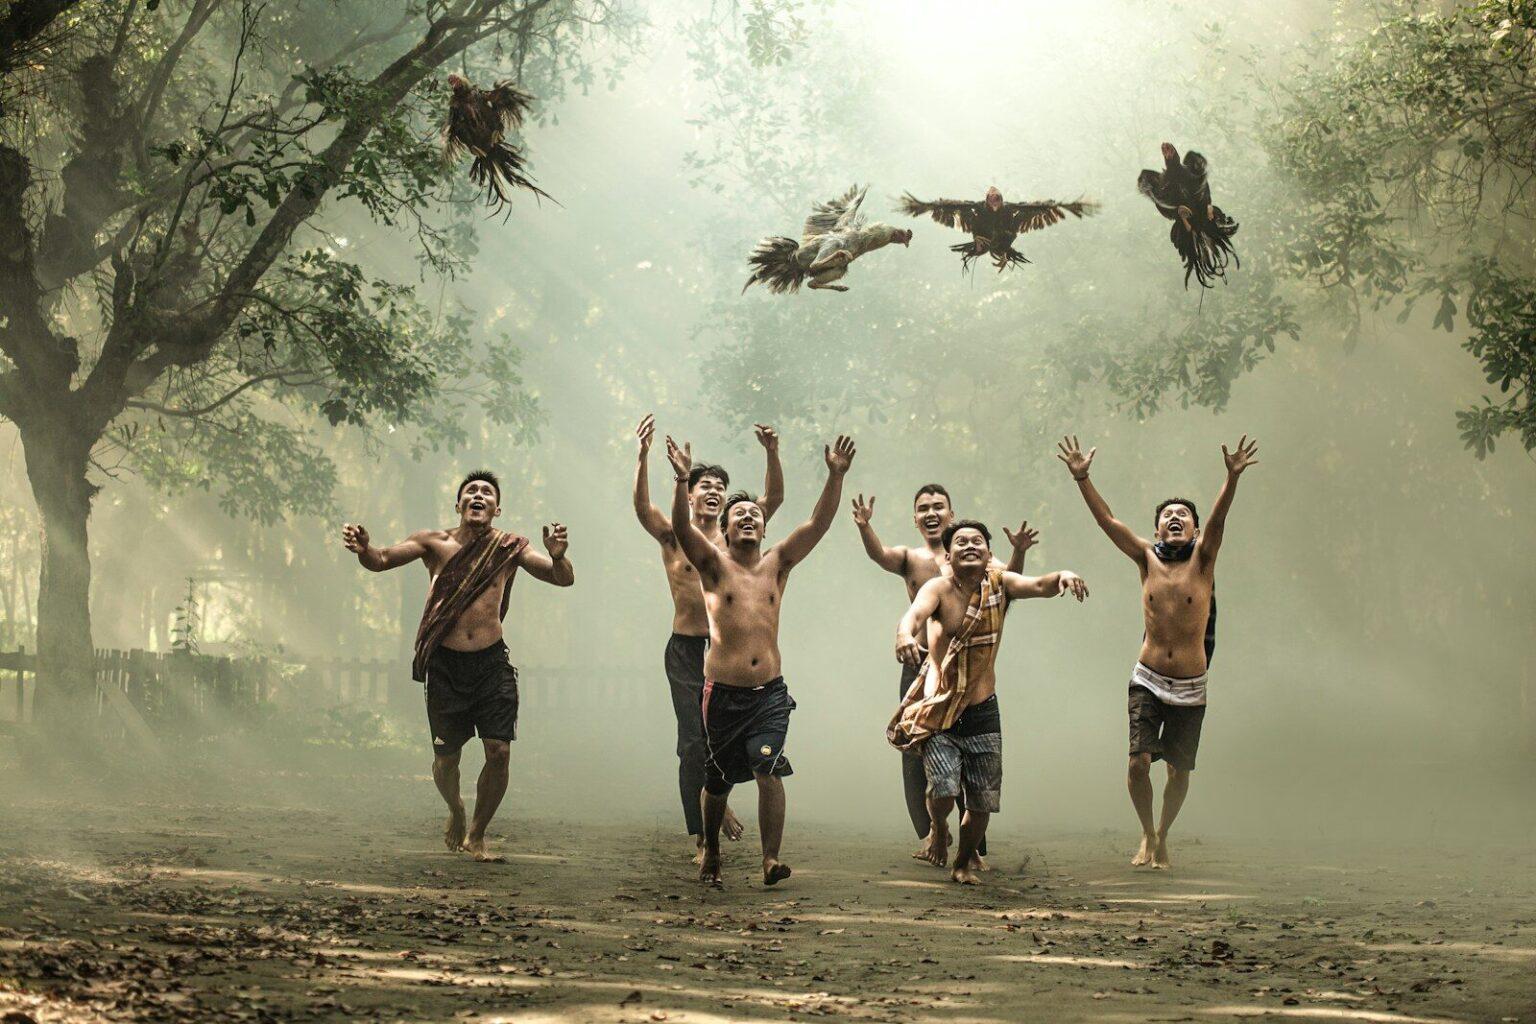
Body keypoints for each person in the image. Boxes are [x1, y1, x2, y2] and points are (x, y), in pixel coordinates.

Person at [341, 470, 574, 862]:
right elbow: (380, 560)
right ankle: (456, 809)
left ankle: (477, 834)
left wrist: (558, 555)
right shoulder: (432, 542)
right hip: (446, 667)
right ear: (459, 505)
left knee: (499, 751)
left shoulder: (511, 547)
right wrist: (365, 547)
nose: (479, 496)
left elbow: (561, 579)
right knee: (446, 761)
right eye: (471, 491)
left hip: (492, 664)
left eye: (487, 493)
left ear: (497, 509)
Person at [1056, 434, 1258, 869]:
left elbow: (1220, 520)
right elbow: (1108, 522)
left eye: (1182, 514)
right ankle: (1147, 833)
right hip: (1146, 677)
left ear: (1195, 529)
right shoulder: (1146, 558)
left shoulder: (1203, 560)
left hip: (1190, 684)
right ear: (1156, 528)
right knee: (1138, 762)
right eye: (1167, 515)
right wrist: (1082, 478)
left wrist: (1232, 477)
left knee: (1179, 772)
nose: (1174, 518)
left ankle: (1164, 833)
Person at [664, 432, 856, 886]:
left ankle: (770, 859)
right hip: (722, 694)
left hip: (769, 692)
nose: (747, 518)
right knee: (716, 782)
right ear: (726, 530)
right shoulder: (712, 565)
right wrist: (678, 481)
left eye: (755, 514)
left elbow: (818, 523)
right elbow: (680, 529)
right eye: (738, 515)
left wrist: (836, 476)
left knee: (767, 765)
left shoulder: (778, 564)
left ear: (764, 528)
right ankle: (710, 849)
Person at [892, 520, 1087, 884]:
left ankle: (963, 863)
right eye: (961, 542)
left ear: (988, 553)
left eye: (977, 542)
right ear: (947, 555)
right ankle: (937, 828)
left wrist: (1064, 575)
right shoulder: (937, 588)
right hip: (941, 706)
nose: (969, 546)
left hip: (983, 708)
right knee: (945, 790)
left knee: (982, 800)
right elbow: (913, 616)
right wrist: (903, 635)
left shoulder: (1000, 584)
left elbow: (1039, 584)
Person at [851, 485, 1037, 865]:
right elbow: (880, 555)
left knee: (972, 750)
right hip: (921, 662)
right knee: (917, 751)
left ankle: (973, 850)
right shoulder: (911, 557)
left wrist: (1018, 550)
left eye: (939, 506)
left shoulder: (975, 554)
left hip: (969, 668)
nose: (931, 513)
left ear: (951, 514)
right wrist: (865, 527)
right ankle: (931, 833)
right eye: (923, 508)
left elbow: (1007, 587)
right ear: (915, 518)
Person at [632, 414, 784, 861]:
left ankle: (717, 799)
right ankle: (703, 836)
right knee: (693, 741)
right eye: (706, 485)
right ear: (690, 492)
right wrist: (642, 457)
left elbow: (771, 498)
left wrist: (772, 453)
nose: (716, 491)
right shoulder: (677, 535)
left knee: (727, 739)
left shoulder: (738, 534)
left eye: (722, 485)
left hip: (731, 655)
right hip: (687, 648)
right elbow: (643, 509)